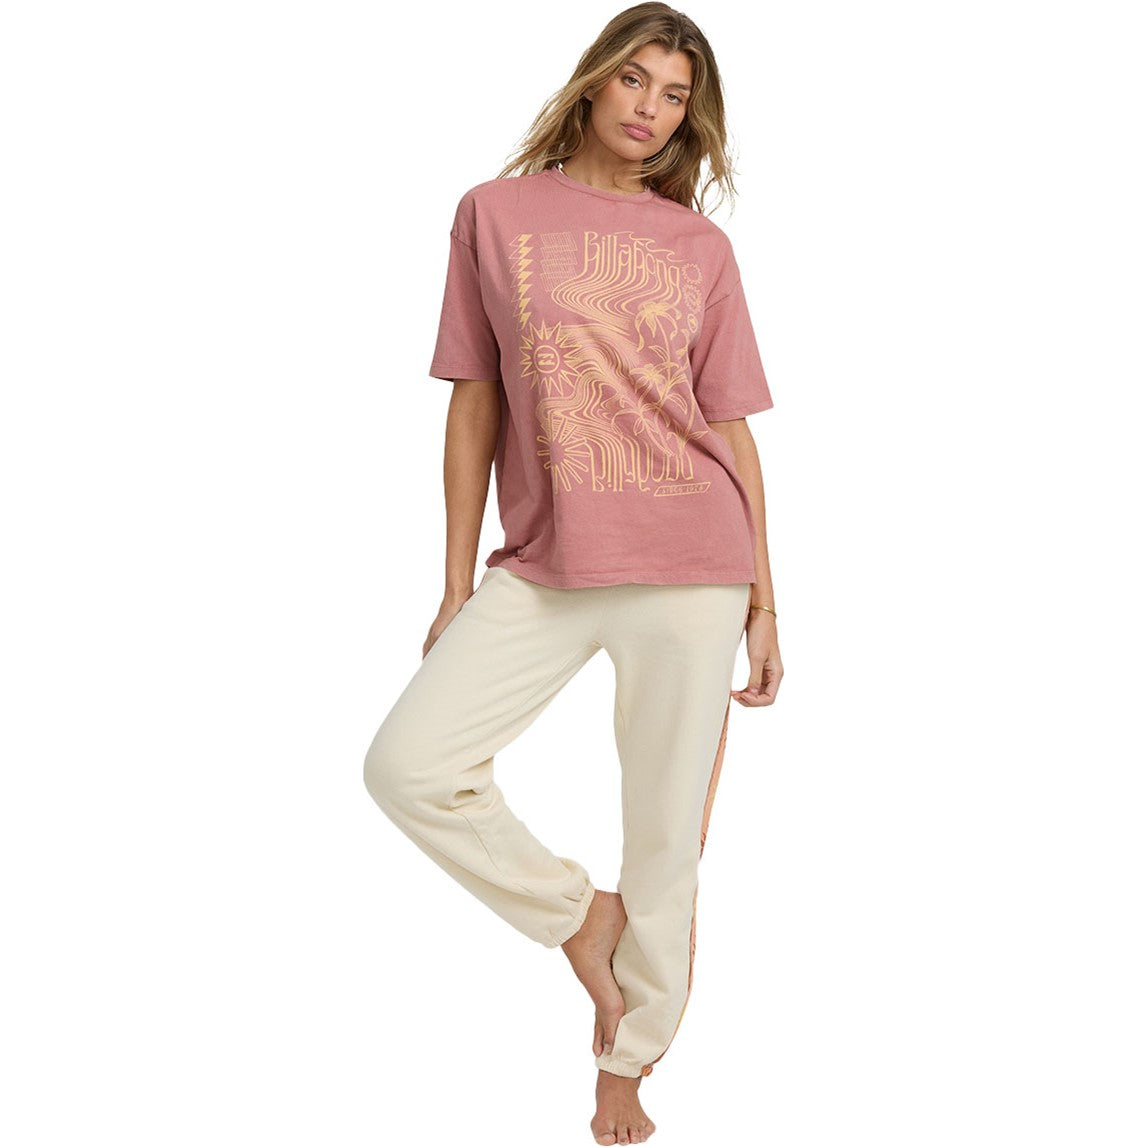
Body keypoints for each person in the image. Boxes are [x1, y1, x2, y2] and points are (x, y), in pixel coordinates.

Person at [363, 3, 783, 1142]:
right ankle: (577, 915)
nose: (650, 108)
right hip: (545, 564)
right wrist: (455, 583)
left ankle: (626, 1063)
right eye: (634, 80)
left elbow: (731, 428)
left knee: (666, 841)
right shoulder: (493, 214)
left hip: (692, 562)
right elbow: (473, 402)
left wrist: (765, 600)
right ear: (593, 81)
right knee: (408, 765)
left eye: (674, 95)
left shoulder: (699, 248)